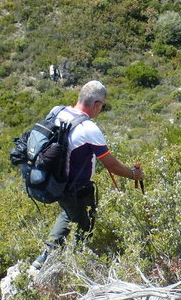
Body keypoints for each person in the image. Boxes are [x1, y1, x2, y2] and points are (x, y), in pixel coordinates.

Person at [31, 80, 145, 268]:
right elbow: (111, 164)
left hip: (55, 182)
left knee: (69, 214)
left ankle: (42, 259)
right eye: (102, 106)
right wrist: (134, 174)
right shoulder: (88, 128)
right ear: (97, 104)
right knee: (85, 226)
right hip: (76, 188)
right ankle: (73, 264)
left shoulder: (58, 111)